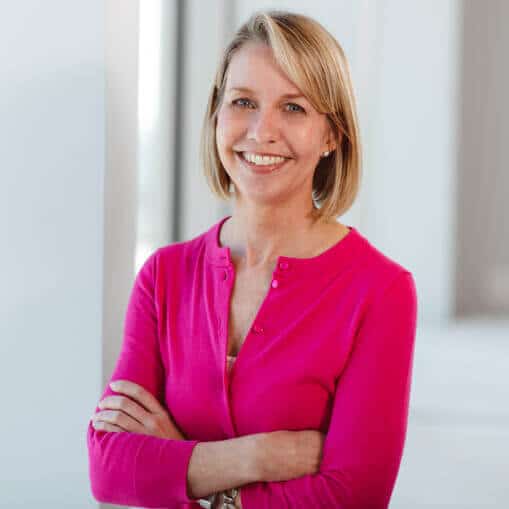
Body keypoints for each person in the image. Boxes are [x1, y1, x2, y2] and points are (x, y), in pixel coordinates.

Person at [87, 9, 418, 509]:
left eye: (294, 108)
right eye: (243, 101)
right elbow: (109, 468)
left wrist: (177, 462)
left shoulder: (380, 290)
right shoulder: (164, 276)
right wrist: (258, 456)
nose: (262, 131)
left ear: (332, 134)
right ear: (216, 116)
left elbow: (354, 495)